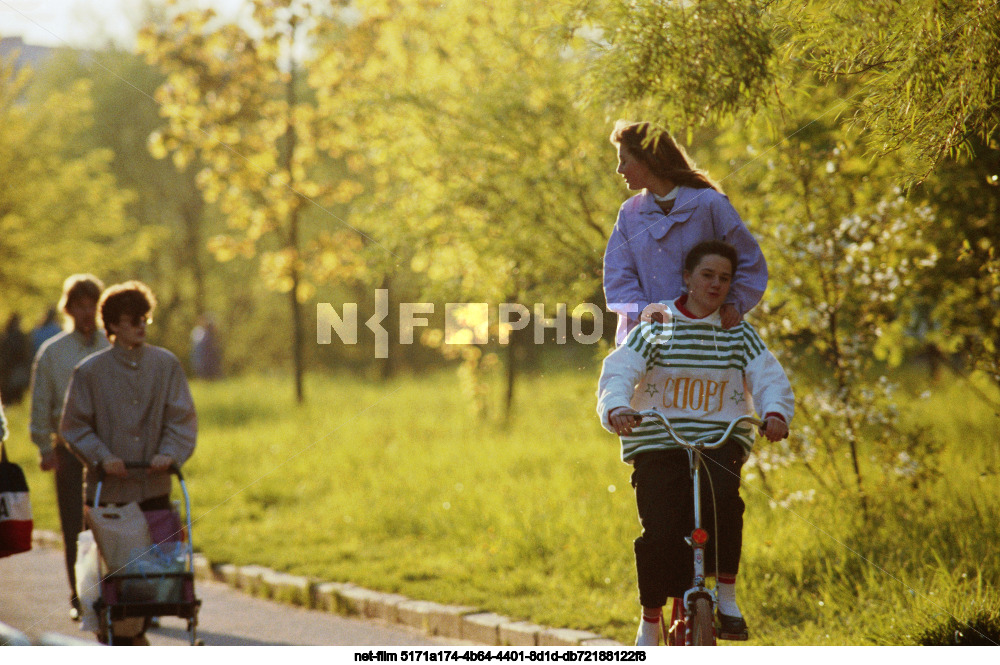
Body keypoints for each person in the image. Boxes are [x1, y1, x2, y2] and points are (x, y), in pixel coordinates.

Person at [596, 241, 794, 646]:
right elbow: (621, 368)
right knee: (660, 529)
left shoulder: (736, 330)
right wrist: (616, 406)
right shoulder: (659, 322)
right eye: (707, 275)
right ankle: (650, 621)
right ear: (687, 278)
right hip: (660, 441)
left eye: (724, 278)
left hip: (719, 439)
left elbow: (768, 376)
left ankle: (726, 597)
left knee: (727, 505)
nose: (716, 284)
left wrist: (775, 413)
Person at [61, 280, 197, 645]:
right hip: (110, 491)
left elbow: (181, 419)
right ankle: (126, 638)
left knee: (154, 578)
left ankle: (134, 637)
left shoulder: (166, 365)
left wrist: (170, 453)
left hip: (153, 484)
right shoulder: (89, 373)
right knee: (117, 581)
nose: (141, 325)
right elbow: (74, 426)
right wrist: (103, 457)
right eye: (132, 319)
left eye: (144, 318)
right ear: (113, 326)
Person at [604, 121, 768, 344]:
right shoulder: (629, 214)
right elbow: (618, 278)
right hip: (646, 341)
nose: (619, 169)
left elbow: (749, 261)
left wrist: (733, 303)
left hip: (706, 338)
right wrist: (647, 313)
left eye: (624, 161)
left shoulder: (711, 204)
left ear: (647, 159)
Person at [27, 275, 109, 621]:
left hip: (109, 446)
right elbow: (41, 402)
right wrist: (44, 446)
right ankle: (79, 594)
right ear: (69, 308)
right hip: (69, 449)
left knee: (113, 519)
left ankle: (116, 590)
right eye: (81, 305)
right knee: (74, 523)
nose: (87, 312)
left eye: (93, 305)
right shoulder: (53, 352)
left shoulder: (112, 346)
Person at [0, 313, 33, 404]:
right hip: (16, 370)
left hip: (7, 370)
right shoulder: (21, 336)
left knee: (8, 395)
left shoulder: (4, 335)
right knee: (16, 395)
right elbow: (26, 354)